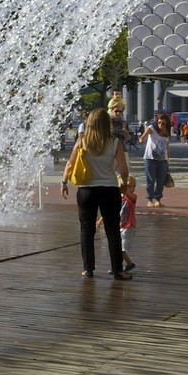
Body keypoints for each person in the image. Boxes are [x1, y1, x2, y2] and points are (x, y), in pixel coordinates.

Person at [61, 107, 131, 280]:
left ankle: (88, 269)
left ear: (89, 124)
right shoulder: (115, 142)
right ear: (107, 124)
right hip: (109, 189)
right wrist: (124, 183)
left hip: (86, 191)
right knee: (112, 230)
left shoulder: (82, 141)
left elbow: (70, 165)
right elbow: (123, 169)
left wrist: (64, 182)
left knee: (87, 229)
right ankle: (117, 270)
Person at [140, 112, 172, 207]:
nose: (160, 125)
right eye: (159, 122)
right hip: (150, 158)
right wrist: (142, 140)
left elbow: (167, 146)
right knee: (150, 180)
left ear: (167, 124)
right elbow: (142, 138)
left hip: (162, 160)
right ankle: (150, 199)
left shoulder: (167, 133)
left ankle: (158, 199)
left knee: (161, 180)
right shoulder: (152, 128)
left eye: (163, 123)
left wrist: (168, 159)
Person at [117, 175, 138, 272]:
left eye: (134, 186)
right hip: (120, 226)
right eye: (129, 186)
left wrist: (124, 191)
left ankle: (129, 264)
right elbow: (110, 211)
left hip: (129, 226)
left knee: (121, 250)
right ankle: (117, 266)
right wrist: (100, 220)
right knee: (118, 247)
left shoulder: (132, 197)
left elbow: (132, 199)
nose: (132, 189)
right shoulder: (118, 198)